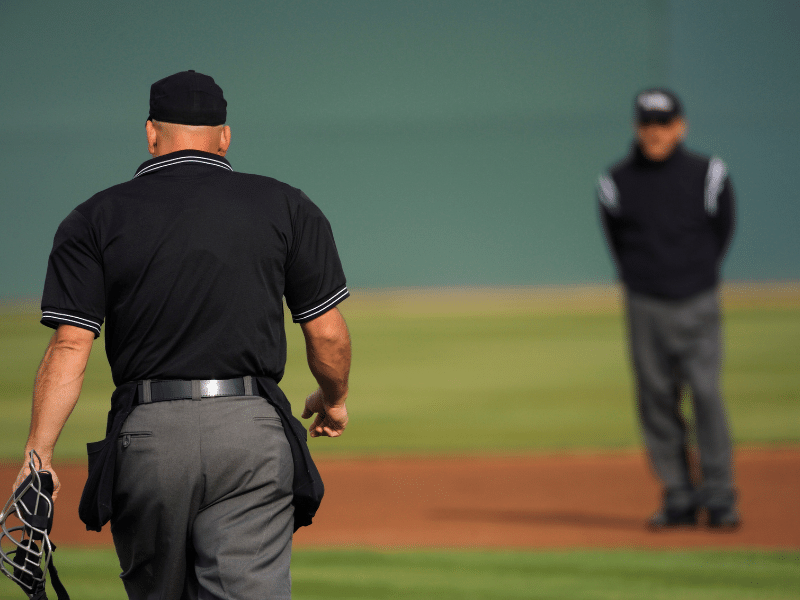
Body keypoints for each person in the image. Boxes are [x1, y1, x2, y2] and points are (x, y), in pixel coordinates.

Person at [13, 70, 352, 599]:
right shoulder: (287, 206)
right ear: (225, 136)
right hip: (252, 434)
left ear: (151, 134)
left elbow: (70, 346)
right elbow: (327, 333)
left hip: (148, 439)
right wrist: (334, 400)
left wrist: (39, 457)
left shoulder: (93, 218)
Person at [597, 88, 738, 529]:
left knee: (706, 394)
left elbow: (723, 228)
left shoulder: (708, 173)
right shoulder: (615, 181)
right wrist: (642, 278)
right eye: (647, 124)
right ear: (637, 128)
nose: (655, 132)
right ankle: (678, 495)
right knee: (656, 399)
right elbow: (616, 239)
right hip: (645, 302)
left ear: (680, 126)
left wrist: (697, 271)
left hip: (697, 299)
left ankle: (719, 497)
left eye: (663, 123)